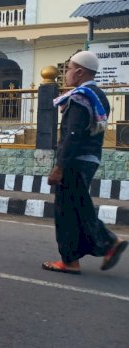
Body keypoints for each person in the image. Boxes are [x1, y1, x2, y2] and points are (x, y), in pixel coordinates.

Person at [41, 51, 127, 275]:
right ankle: (107, 243)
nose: (66, 73)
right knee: (78, 207)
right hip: (90, 158)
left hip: (74, 160)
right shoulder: (98, 95)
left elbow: (73, 134)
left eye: (68, 68)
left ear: (79, 72)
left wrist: (59, 166)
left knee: (66, 211)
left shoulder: (81, 97)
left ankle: (72, 260)